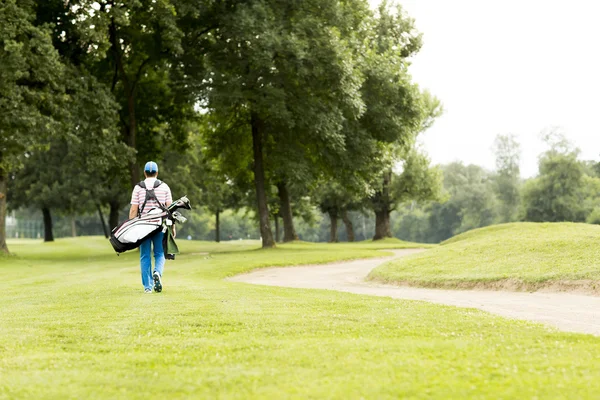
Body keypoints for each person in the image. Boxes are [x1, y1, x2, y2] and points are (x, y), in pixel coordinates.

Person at [129, 161, 175, 293]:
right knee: (160, 253)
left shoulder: (138, 187)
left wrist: (132, 227)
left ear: (144, 173)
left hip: (143, 227)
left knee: (145, 256)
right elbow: (170, 209)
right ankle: (158, 273)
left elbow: (133, 210)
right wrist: (173, 228)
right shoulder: (164, 187)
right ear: (157, 173)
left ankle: (148, 287)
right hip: (160, 225)